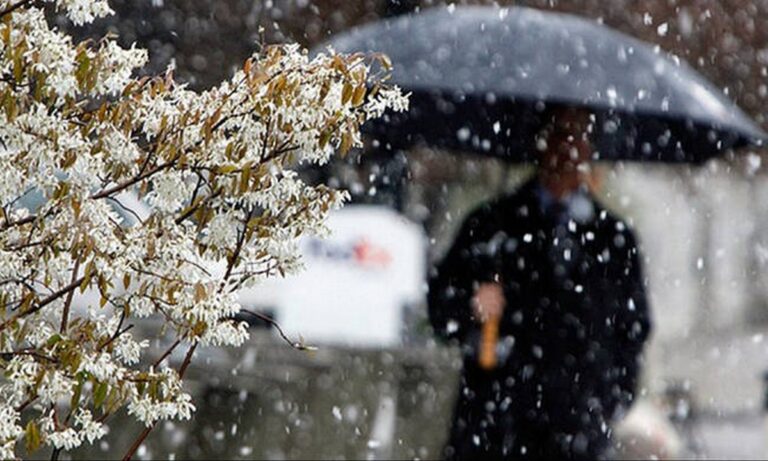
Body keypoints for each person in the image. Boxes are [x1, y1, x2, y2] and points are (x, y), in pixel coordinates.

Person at [428, 107, 652, 460]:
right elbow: (441, 309)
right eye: (560, 133)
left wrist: (610, 398)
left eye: (579, 135)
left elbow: (633, 327)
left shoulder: (614, 239)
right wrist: (471, 305)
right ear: (540, 141)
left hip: (579, 427)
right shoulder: (489, 226)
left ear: (591, 148)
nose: (568, 147)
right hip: (494, 424)